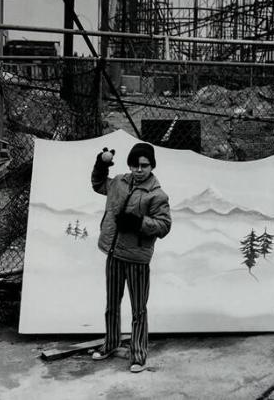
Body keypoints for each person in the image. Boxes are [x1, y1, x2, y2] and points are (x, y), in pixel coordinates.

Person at [91, 142, 171, 373]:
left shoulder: (157, 195)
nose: (139, 169)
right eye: (135, 164)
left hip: (137, 259)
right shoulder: (118, 183)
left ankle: (138, 354)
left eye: (144, 165)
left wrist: (138, 223)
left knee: (139, 309)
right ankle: (111, 343)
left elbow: (164, 226)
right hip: (114, 254)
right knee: (112, 304)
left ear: (151, 166)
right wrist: (101, 164)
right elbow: (98, 184)